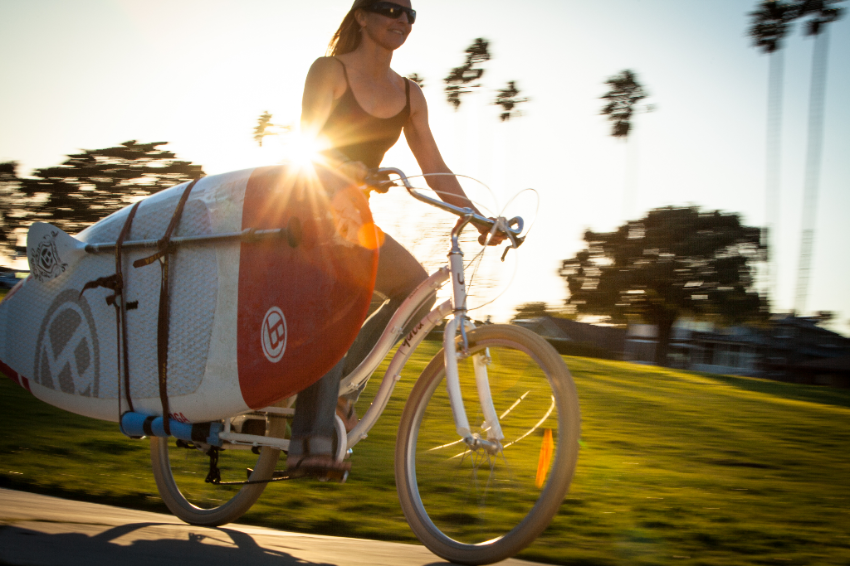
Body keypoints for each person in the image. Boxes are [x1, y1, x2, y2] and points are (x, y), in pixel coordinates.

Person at [287, 0, 500, 478]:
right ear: (361, 16)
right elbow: (305, 144)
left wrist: (479, 216)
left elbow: (435, 167)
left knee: (419, 292)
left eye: (410, 14)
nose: (402, 20)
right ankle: (308, 441)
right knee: (336, 305)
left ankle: (340, 391)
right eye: (390, 9)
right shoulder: (329, 71)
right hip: (306, 212)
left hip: (352, 220)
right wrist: (350, 169)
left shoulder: (408, 95)